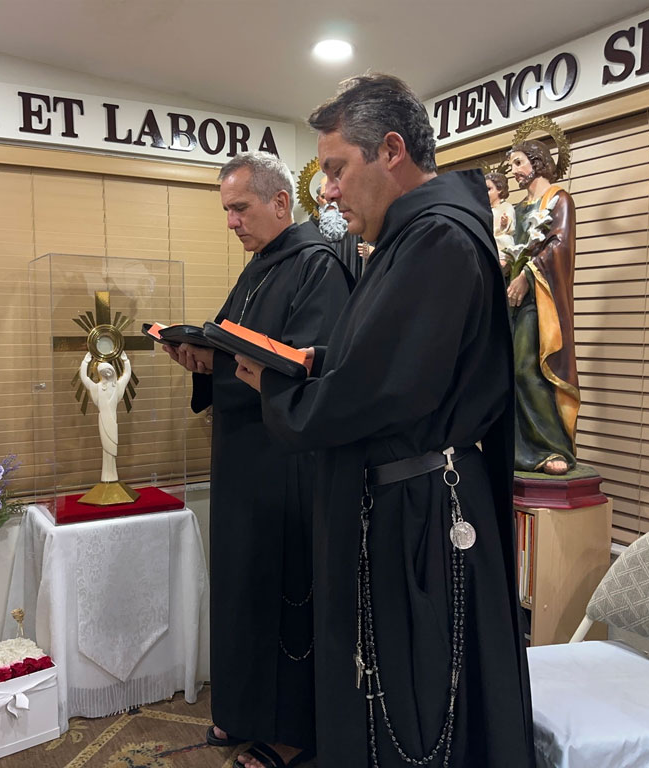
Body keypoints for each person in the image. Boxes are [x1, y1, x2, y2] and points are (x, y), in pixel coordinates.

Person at [233, 74, 535, 768]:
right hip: (408, 507)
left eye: (337, 168)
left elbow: (380, 392)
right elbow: (389, 363)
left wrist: (281, 390)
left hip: (422, 521)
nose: (328, 190)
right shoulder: (413, 238)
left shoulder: (436, 240)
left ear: (391, 150)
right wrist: (319, 361)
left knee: (414, 711)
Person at [164, 151, 352, 768]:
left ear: (279, 202)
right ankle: (244, 711)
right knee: (243, 585)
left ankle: (295, 731)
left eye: (239, 208)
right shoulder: (260, 266)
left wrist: (225, 363)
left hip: (287, 461)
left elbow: (309, 365)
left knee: (285, 588)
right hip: (243, 457)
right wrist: (197, 356)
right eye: (226, 211)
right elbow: (230, 346)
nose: (231, 223)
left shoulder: (317, 265)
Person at [505, 140, 579, 475]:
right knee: (510, 372)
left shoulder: (559, 200)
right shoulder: (519, 208)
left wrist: (527, 274)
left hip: (541, 298)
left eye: (518, 163)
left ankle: (551, 448)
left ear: (537, 162)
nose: (513, 171)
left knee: (528, 369)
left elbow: (559, 245)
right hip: (513, 299)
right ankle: (520, 448)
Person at [80, 352, 132, 483]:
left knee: (112, 447)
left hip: (112, 421)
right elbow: (85, 378)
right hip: (103, 420)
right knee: (106, 447)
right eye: (104, 372)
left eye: (109, 370)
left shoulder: (118, 386)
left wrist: (124, 359)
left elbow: (127, 374)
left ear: (113, 371)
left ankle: (113, 475)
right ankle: (107, 475)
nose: (107, 373)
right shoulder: (97, 388)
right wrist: (86, 362)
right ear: (100, 373)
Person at [485, 170, 515, 278]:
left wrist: (505, 222)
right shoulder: (486, 211)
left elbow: (510, 223)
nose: (485, 193)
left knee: (505, 240)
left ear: (500, 189)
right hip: (491, 240)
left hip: (501, 239)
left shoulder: (506, 206)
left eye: (489, 189)